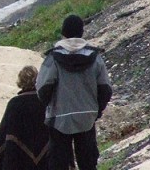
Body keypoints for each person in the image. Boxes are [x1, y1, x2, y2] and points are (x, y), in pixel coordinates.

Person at [36, 15, 113, 170]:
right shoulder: (94, 56)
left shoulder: (53, 58)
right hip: (87, 115)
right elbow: (105, 89)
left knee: (58, 162)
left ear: (63, 33)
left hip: (60, 118)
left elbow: (43, 89)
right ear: (81, 33)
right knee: (88, 162)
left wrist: (49, 106)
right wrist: (97, 110)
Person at [0, 65, 50, 170]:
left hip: (17, 158)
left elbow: (2, 137)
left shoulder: (14, 104)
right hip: (46, 159)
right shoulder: (46, 102)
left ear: (20, 80)